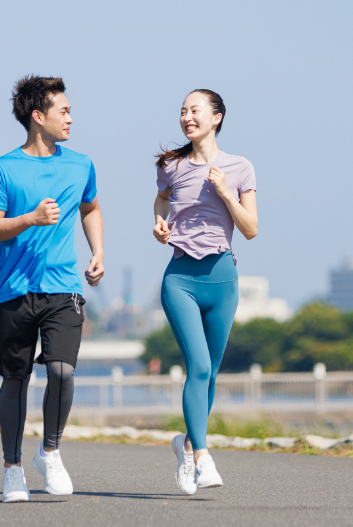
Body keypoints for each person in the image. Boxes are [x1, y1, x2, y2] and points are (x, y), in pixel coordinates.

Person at [0, 75, 104, 503]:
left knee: (62, 372)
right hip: (13, 291)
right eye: (63, 110)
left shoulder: (81, 164)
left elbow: (91, 207)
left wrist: (98, 250)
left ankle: (49, 452)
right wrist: (29, 219)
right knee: (15, 379)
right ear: (38, 116)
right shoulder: (2, 168)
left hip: (63, 288)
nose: (71, 117)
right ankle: (12, 469)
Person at [152, 89, 258, 495]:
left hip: (223, 280)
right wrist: (159, 225)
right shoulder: (171, 166)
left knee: (210, 373)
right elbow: (160, 203)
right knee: (197, 366)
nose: (186, 117)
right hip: (180, 279)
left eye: (194, 110)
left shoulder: (240, 167)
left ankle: (185, 444)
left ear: (217, 118)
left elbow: (250, 229)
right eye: (182, 111)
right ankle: (202, 457)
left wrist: (226, 193)